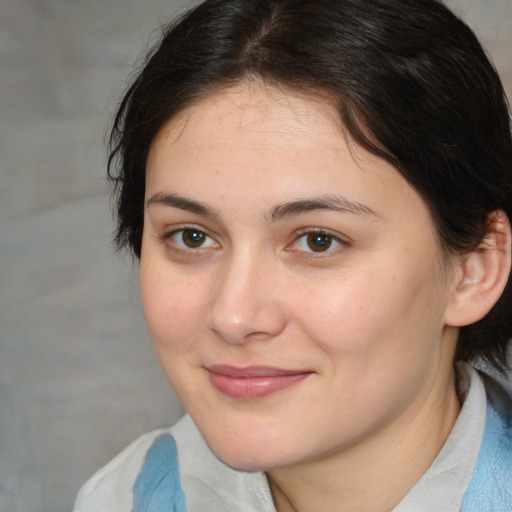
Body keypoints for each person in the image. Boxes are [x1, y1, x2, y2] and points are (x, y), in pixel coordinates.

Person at [73, 0, 512, 510]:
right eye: (192, 236)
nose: (233, 317)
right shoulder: (120, 496)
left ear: (473, 269)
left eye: (317, 241)